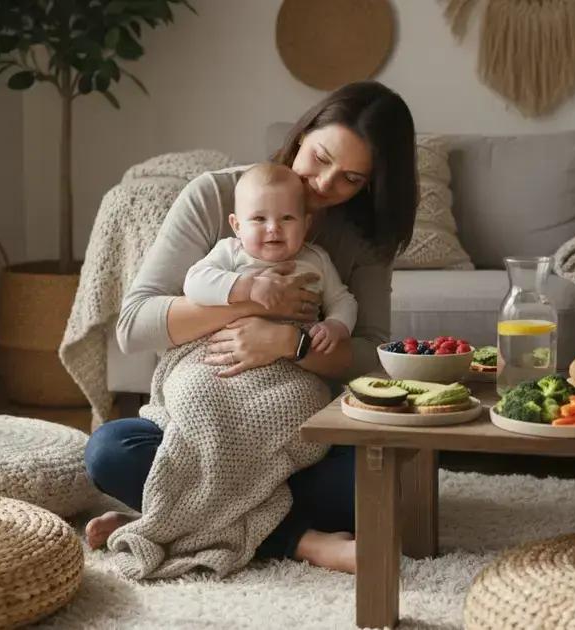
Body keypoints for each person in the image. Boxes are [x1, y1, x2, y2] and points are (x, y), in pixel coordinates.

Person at [85, 81, 417, 574]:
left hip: (290, 420)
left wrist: (290, 340)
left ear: (370, 185)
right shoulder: (218, 196)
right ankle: (304, 543)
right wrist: (252, 305)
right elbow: (135, 325)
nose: (325, 185)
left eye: (350, 178)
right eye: (320, 158)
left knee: (379, 482)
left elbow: (373, 356)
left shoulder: (357, 239)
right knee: (111, 452)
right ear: (302, 136)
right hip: (207, 404)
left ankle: (167, 516)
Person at [183, 162, 356, 355]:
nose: (273, 228)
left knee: (301, 387)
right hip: (230, 347)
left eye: (287, 218)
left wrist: (336, 325)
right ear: (237, 226)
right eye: (259, 219)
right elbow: (194, 283)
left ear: (306, 224)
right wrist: (249, 287)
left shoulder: (316, 259)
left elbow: (342, 300)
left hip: (290, 356)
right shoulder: (231, 251)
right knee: (198, 382)